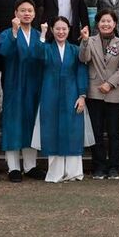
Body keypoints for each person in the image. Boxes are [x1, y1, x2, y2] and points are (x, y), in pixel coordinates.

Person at [30, 17, 91, 182]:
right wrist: (42, 34)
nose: (61, 32)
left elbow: (81, 72)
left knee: (73, 130)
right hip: (50, 94)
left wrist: (82, 95)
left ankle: (74, 172)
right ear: (52, 30)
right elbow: (37, 54)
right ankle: (55, 173)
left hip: (72, 94)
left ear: (69, 30)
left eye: (64, 28)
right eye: (57, 28)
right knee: (51, 130)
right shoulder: (47, 48)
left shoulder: (74, 49)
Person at [0, 0, 44, 183]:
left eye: (30, 10)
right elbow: (3, 52)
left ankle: (30, 166)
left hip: (33, 85)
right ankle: (13, 167)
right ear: (16, 13)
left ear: (34, 14)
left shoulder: (38, 34)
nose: (26, 13)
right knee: (13, 123)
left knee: (31, 123)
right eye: (22, 10)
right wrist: (14, 33)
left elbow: (42, 57)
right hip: (14, 84)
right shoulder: (7, 33)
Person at [80, 9, 119, 180]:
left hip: (115, 92)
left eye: (109, 21)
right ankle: (99, 166)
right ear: (97, 24)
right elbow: (83, 58)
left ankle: (115, 166)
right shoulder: (90, 41)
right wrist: (85, 41)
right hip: (95, 92)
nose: (106, 24)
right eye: (102, 21)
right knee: (97, 131)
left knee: (114, 132)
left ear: (114, 24)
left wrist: (110, 83)